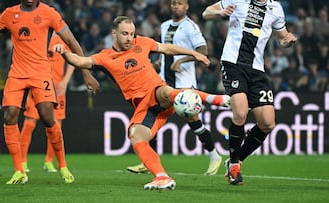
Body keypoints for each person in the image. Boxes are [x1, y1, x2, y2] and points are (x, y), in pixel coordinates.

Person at [53, 15, 230, 190]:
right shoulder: (104, 57)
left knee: (165, 91)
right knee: (136, 136)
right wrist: (65, 52)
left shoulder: (142, 43)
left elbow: (167, 48)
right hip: (146, 108)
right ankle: (162, 177)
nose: (130, 38)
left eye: (132, 33)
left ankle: (217, 99)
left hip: (157, 93)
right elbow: (80, 61)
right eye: (125, 34)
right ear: (114, 33)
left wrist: (192, 53)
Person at [0, 0, 99, 184]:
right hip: (17, 73)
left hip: (41, 73)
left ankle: (62, 165)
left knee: (47, 117)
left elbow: (72, 42)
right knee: (10, 116)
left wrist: (86, 73)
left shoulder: (50, 13)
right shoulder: (9, 14)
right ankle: (19, 171)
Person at [202, 0, 297, 185]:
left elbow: (282, 37)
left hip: (257, 69)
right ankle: (234, 167)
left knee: (268, 123)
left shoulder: (275, 8)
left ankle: (235, 160)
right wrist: (220, 13)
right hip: (233, 63)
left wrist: (287, 41)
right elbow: (206, 12)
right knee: (240, 112)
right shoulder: (237, 0)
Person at [126, 0, 222, 176]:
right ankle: (148, 161)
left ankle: (214, 156)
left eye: (180, 3)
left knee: (194, 122)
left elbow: (203, 50)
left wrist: (182, 60)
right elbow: (165, 51)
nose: (176, 6)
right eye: (173, 3)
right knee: (152, 117)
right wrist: (159, 63)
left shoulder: (191, 27)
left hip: (184, 82)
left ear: (186, 7)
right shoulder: (164, 26)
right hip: (164, 82)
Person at [20, 33, 75, 173]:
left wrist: (65, 81)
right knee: (30, 122)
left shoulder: (62, 38)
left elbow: (73, 59)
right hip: (37, 84)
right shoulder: (35, 36)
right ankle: (22, 161)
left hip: (57, 88)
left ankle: (49, 161)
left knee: (56, 124)